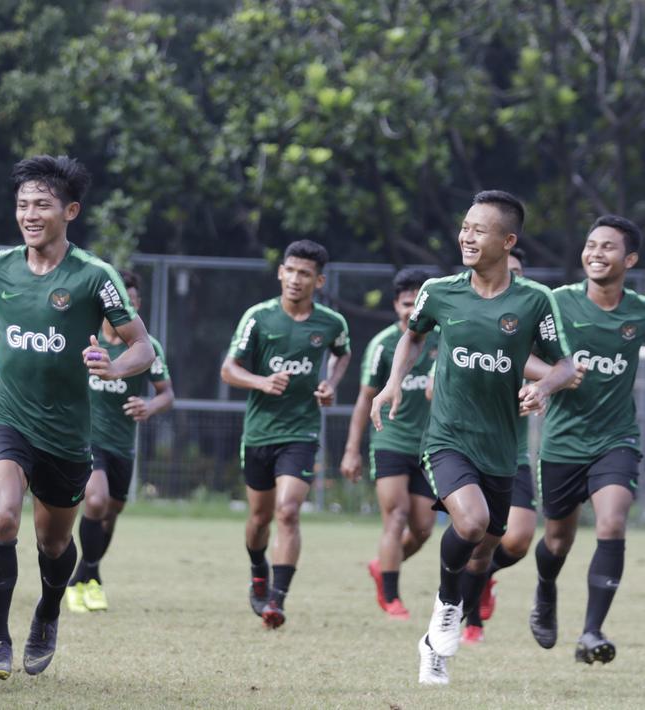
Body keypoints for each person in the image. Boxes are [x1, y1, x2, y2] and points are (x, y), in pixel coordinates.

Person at [0, 155, 154, 679]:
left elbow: (143, 347)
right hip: (5, 419)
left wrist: (113, 367)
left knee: (54, 543)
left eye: (42, 205)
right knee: (1, 518)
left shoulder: (94, 276)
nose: (29, 214)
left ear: (70, 211)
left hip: (66, 433)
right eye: (22, 205)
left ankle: (48, 612)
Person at [370, 190, 575, 686]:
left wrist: (543, 388)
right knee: (472, 521)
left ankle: (433, 649)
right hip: (446, 437)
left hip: (502, 448)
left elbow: (566, 365)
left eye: (478, 230)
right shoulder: (439, 291)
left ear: (507, 241)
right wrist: (394, 382)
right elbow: (414, 334)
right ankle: (447, 609)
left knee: (485, 546)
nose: (466, 236)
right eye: (464, 227)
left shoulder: (534, 300)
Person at [527, 215, 644, 664]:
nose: (596, 253)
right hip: (562, 441)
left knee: (612, 523)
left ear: (629, 260)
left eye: (608, 247)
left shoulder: (638, 310)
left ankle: (591, 632)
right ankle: (545, 588)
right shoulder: (556, 303)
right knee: (557, 540)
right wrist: (552, 376)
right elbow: (518, 354)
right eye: (591, 245)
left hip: (616, 438)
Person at [221, 239, 351, 629]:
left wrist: (330, 384)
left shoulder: (331, 323)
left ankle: (276, 600)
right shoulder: (259, 318)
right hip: (260, 432)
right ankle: (257, 569)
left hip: (302, 431)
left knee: (288, 511)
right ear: (280, 273)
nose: (296, 279)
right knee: (260, 518)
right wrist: (261, 382)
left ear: (319, 281)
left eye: (305, 274)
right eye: (290, 271)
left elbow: (342, 353)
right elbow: (229, 369)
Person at [65, 270, 173, 612]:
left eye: (132, 301)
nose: (125, 307)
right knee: (95, 501)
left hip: (123, 444)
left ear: (137, 305)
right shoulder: (86, 339)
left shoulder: (146, 347)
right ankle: (90, 578)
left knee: (111, 513)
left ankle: (83, 577)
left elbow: (167, 393)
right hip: (86, 439)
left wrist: (149, 406)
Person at [342, 268, 437, 621]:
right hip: (390, 439)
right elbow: (364, 399)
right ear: (396, 305)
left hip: (429, 445)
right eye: (406, 304)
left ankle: (381, 566)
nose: (412, 311)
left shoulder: (443, 339)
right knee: (395, 516)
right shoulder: (382, 345)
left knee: (423, 529)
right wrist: (352, 449)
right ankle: (392, 598)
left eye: (418, 304)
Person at [460, 246, 537, 643]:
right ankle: (470, 620)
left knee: (519, 540)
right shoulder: (472, 319)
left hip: (513, 453)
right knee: (477, 536)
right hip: (469, 450)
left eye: (518, 272)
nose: (513, 278)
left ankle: (485, 576)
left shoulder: (536, 323)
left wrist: (543, 389)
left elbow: (557, 369)